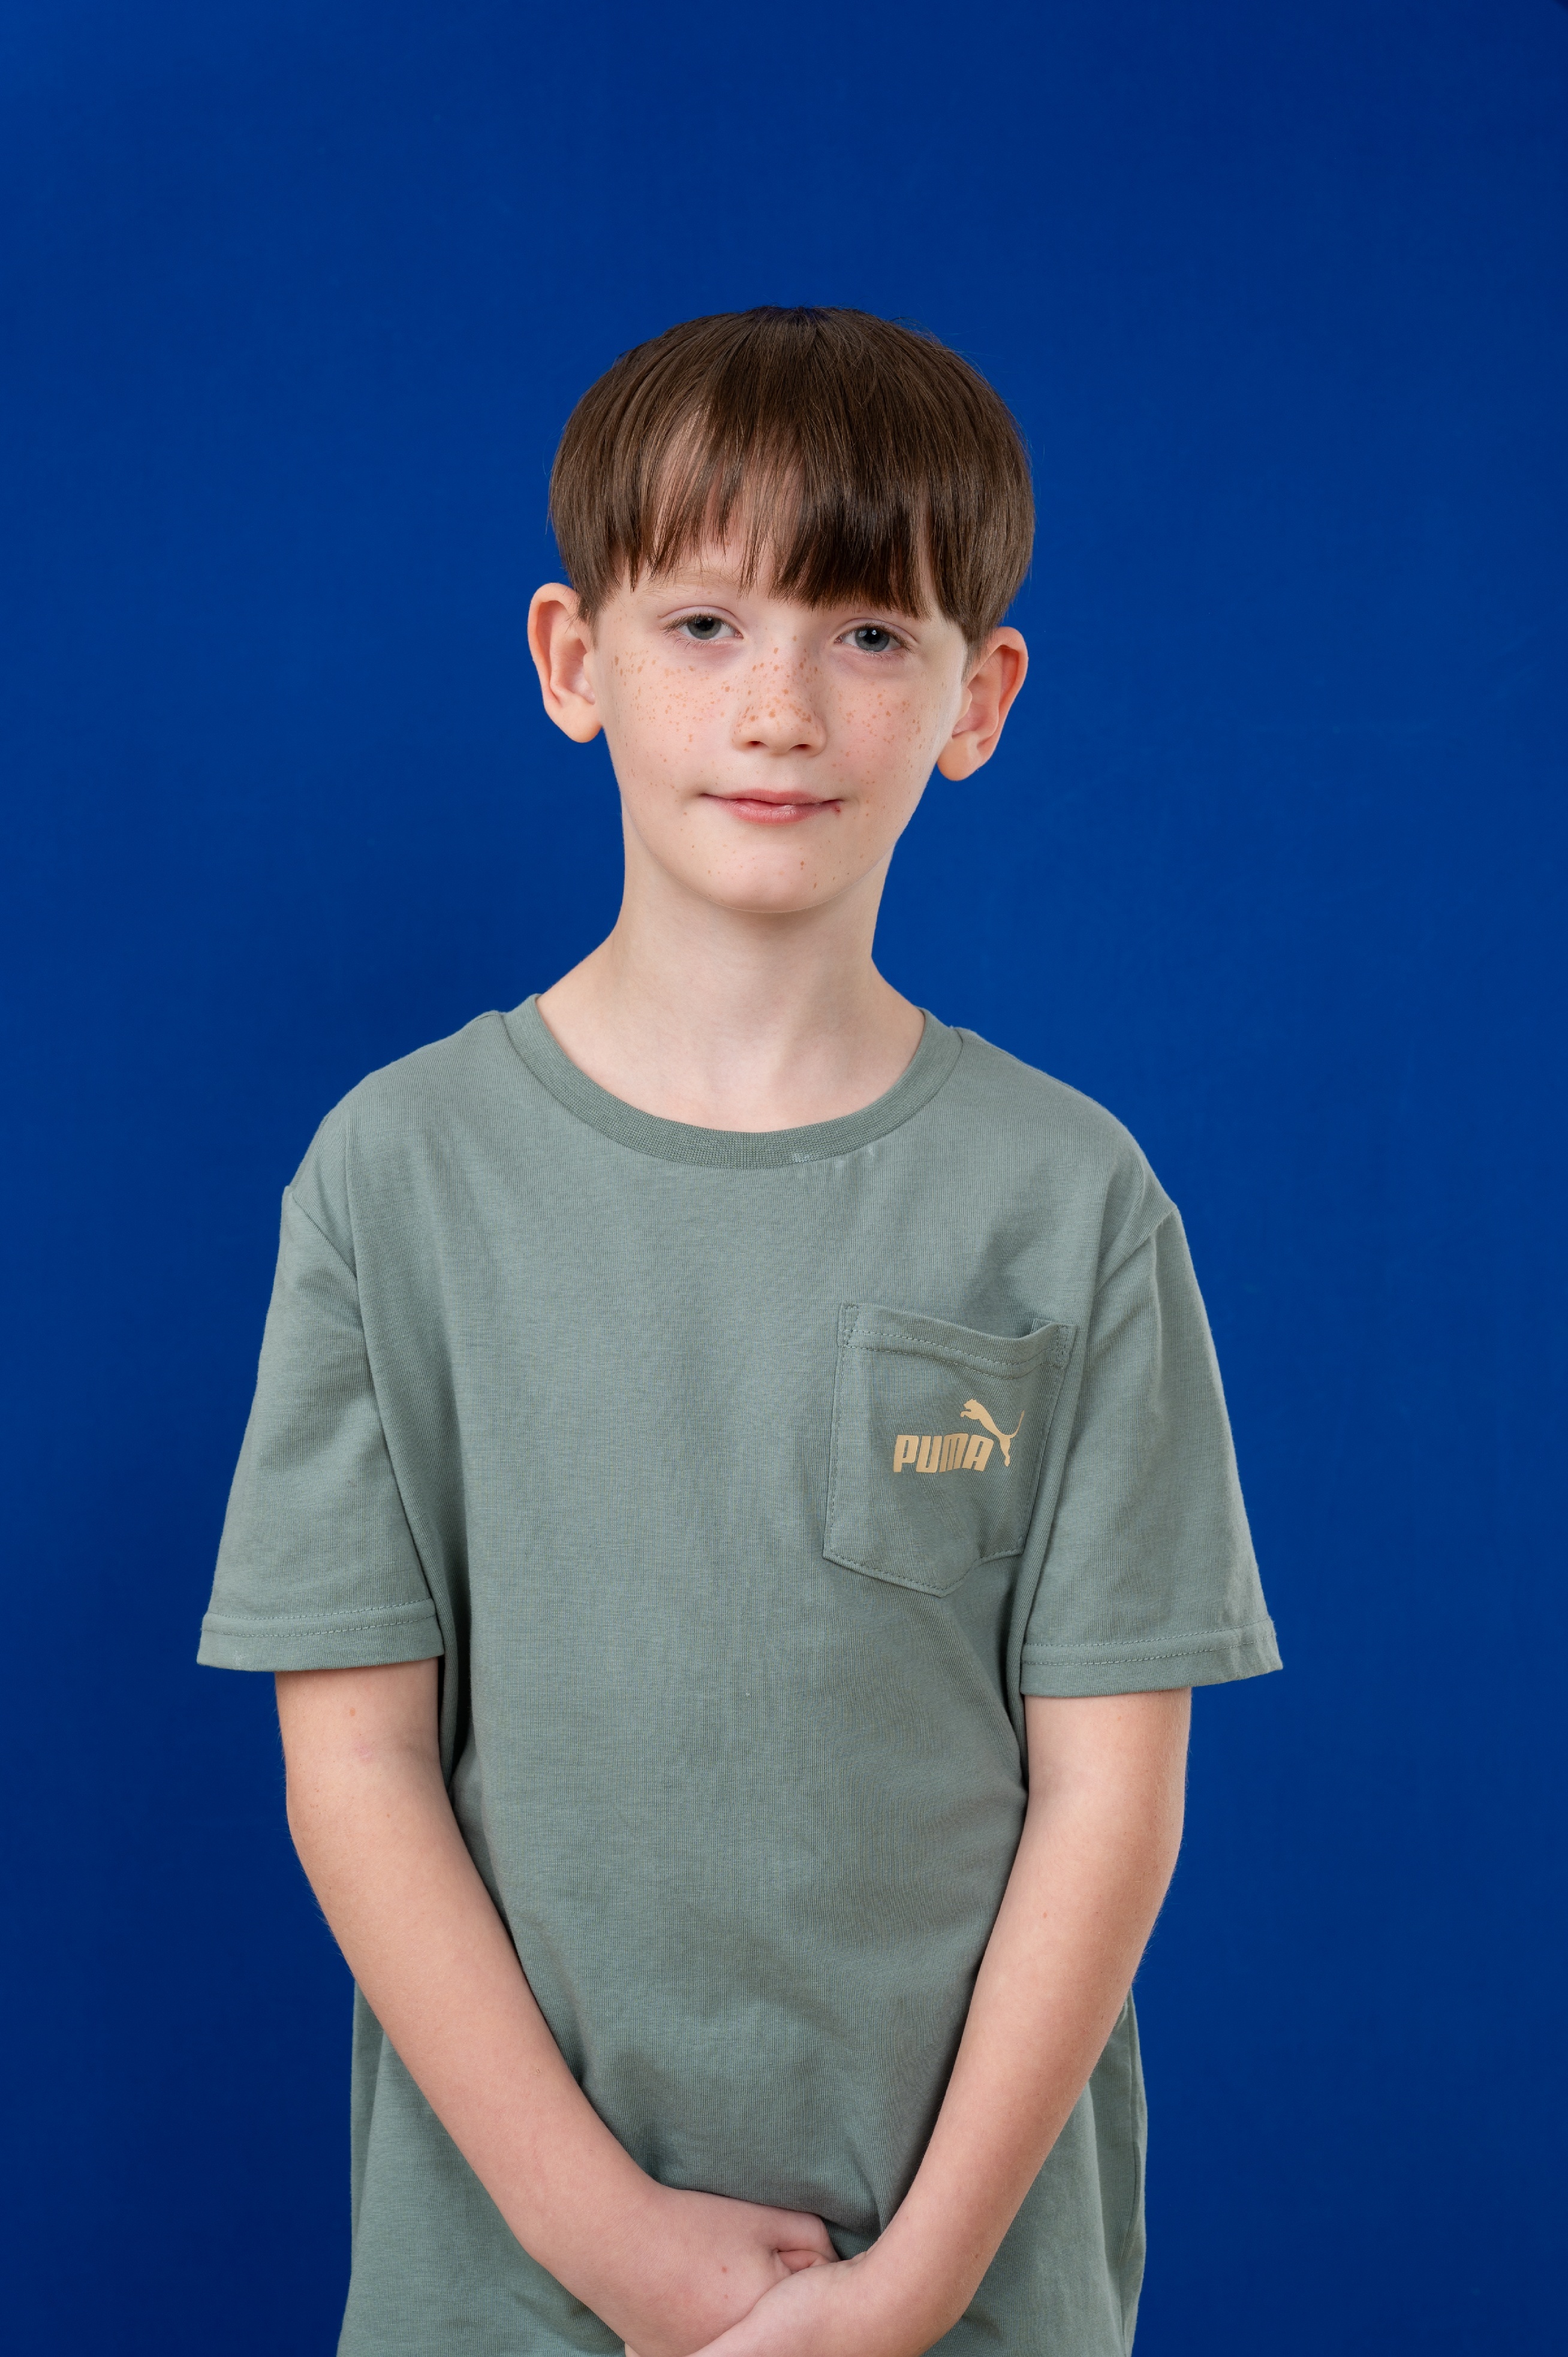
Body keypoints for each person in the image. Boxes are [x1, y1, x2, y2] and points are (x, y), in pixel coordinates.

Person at [198, 305, 1280, 2357]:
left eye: (868, 632)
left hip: (964, 2295)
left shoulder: (1075, 1205)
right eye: (704, 625)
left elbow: (1111, 1804)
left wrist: (908, 2290)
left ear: (979, 697)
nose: (779, 707)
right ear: (572, 661)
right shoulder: (393, 1178)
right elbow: (355, 1767)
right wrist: (620, 2244)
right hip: (501, 2296)